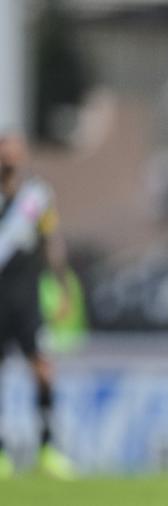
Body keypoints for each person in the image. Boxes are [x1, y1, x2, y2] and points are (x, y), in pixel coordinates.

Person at [0, 133, 75, 480]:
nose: (10, 156)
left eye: (15, 149)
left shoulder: (36, 196)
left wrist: (61, 288)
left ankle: (48, 448)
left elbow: (51, 241)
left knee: (42, 368)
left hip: (26, 296)